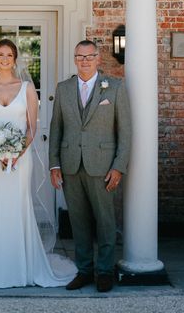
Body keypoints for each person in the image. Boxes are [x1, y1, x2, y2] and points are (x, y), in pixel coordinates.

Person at [0, 39, 77, 288]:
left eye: (9, 54)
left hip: (21, 160)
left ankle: (23, 265)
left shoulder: (26, 88)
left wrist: (15, 153)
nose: (4, 58)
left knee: (18, 205)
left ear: (15, 59)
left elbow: (32, 127)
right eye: (0, 54)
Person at [48, 40, 132, 293]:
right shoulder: (63, 89)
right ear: (75, 59)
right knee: (79, 221)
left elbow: (125, 132)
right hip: (71, 164)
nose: (84, 60)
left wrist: (119, 166)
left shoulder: (115, 88)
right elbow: (56, 129)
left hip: (103, 166)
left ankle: (104, 272)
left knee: (105, 222)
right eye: (79, 56)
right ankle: (84, 271)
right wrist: (54, 164)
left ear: (98, 59)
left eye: (89, 56)